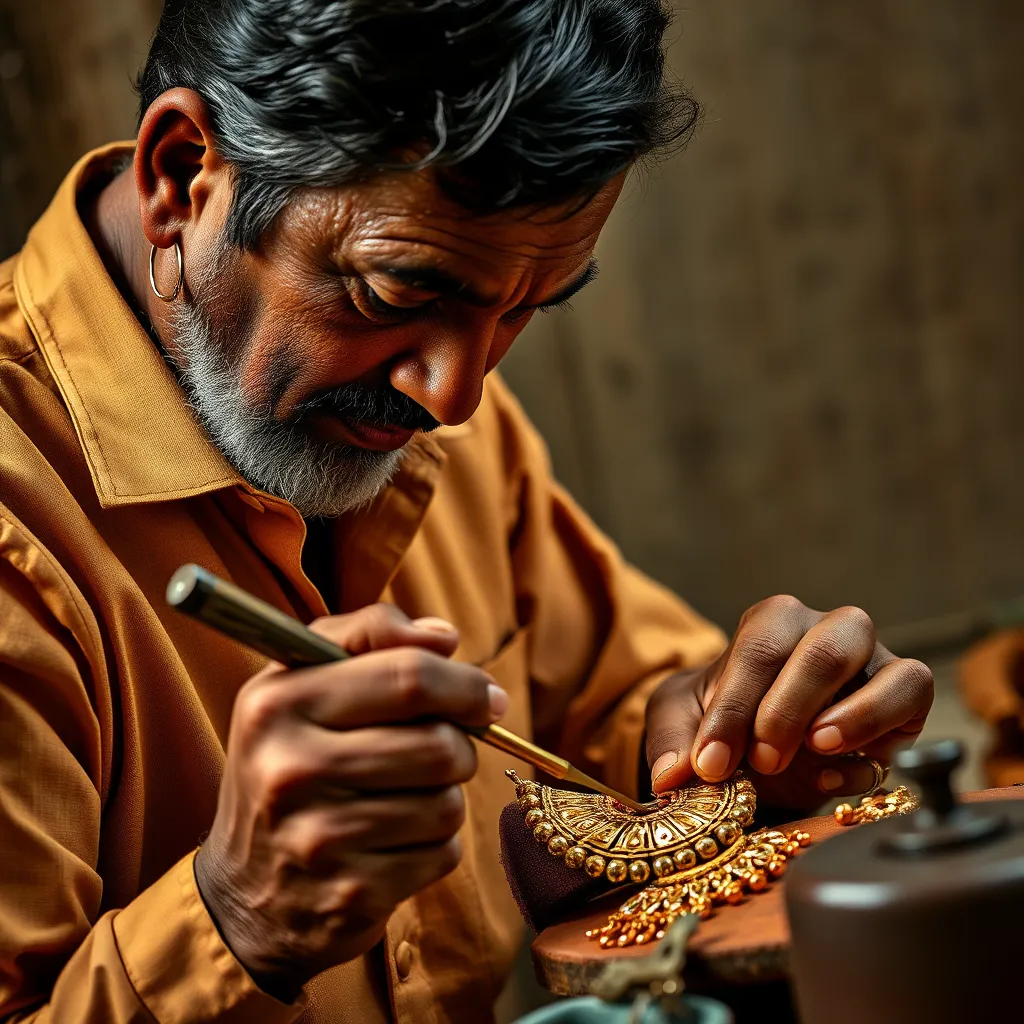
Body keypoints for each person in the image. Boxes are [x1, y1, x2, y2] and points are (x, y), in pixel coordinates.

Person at [0, 1, 933, 1021]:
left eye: (528, 307)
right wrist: (233, 915)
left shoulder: (419, 416)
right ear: (184, 177)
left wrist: (736, 748)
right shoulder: (19, 538)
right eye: (397, 293)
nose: (455, 397)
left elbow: (619, 720)